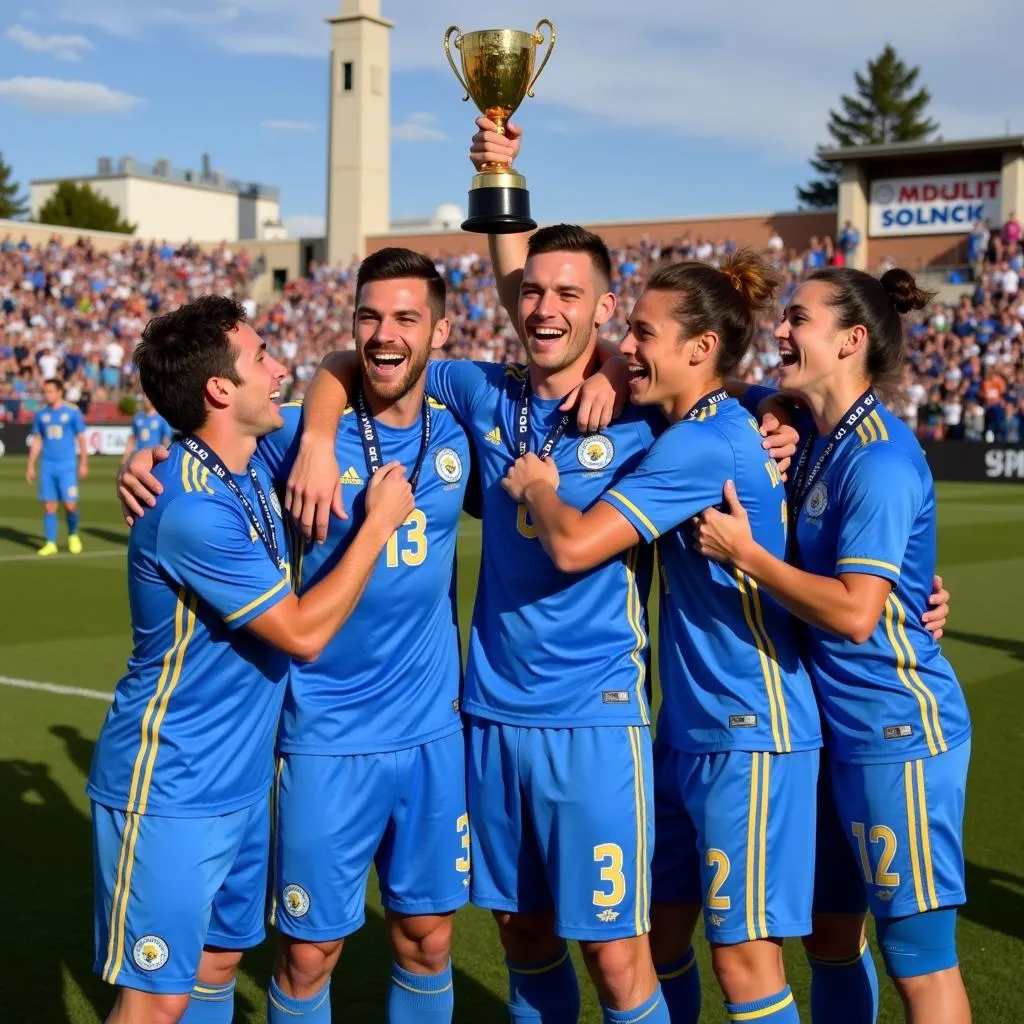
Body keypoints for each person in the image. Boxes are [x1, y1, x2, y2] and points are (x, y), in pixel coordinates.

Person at [502, 251, 822, 1024]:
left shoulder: (702, 443)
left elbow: (576, 546)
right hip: (689, 727)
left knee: (744, 961)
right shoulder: (695, 421)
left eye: (642, 334)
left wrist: (541, 490)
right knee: (666, 933)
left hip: (749, 727)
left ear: (699, 349)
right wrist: (616, 371)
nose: (627, 347)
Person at [89, 295, 413, 1024]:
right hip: (170, 784)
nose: (280, 367)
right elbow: (300, 633)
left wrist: (152, 447)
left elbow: (338, 371)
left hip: (236, 783)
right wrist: (378, 528)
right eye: (263, 357)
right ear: (220, 390)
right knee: (153, 1001)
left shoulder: (244, 475)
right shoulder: (195, 510)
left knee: (217, 961)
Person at [695, 267, 972, 1024]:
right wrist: (774, 401)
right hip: (828, 729)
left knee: (919, 958)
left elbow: (855, 615)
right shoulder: (817, 433)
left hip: (895, 730)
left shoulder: (879, 457)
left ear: (852, 339)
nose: (781, 332)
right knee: (827, 937)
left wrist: (745, 553)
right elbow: (730, 393)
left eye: (798, 320)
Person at [26, 377, 88, 556]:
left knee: (70, 506)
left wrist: (83, 462)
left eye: (50, 391)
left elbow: (81, 438)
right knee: (49, 506)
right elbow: (37, 440)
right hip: (47, 465)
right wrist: (30, 465)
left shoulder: (72, 412)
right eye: (45, 391)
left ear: (60, 392)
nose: (47, 394)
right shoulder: (41, 414)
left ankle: (73, 534)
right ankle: (50, 542)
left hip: (67, 466)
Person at [122, 396, 173, 464]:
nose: (145, 401)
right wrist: (125, 457)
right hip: (139, 455)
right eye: (144, 399)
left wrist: (165, 456)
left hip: (154, 457)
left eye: (148, 399)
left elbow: (166, 438)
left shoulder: (161, 418)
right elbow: (132, 439)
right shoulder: (137, 418)